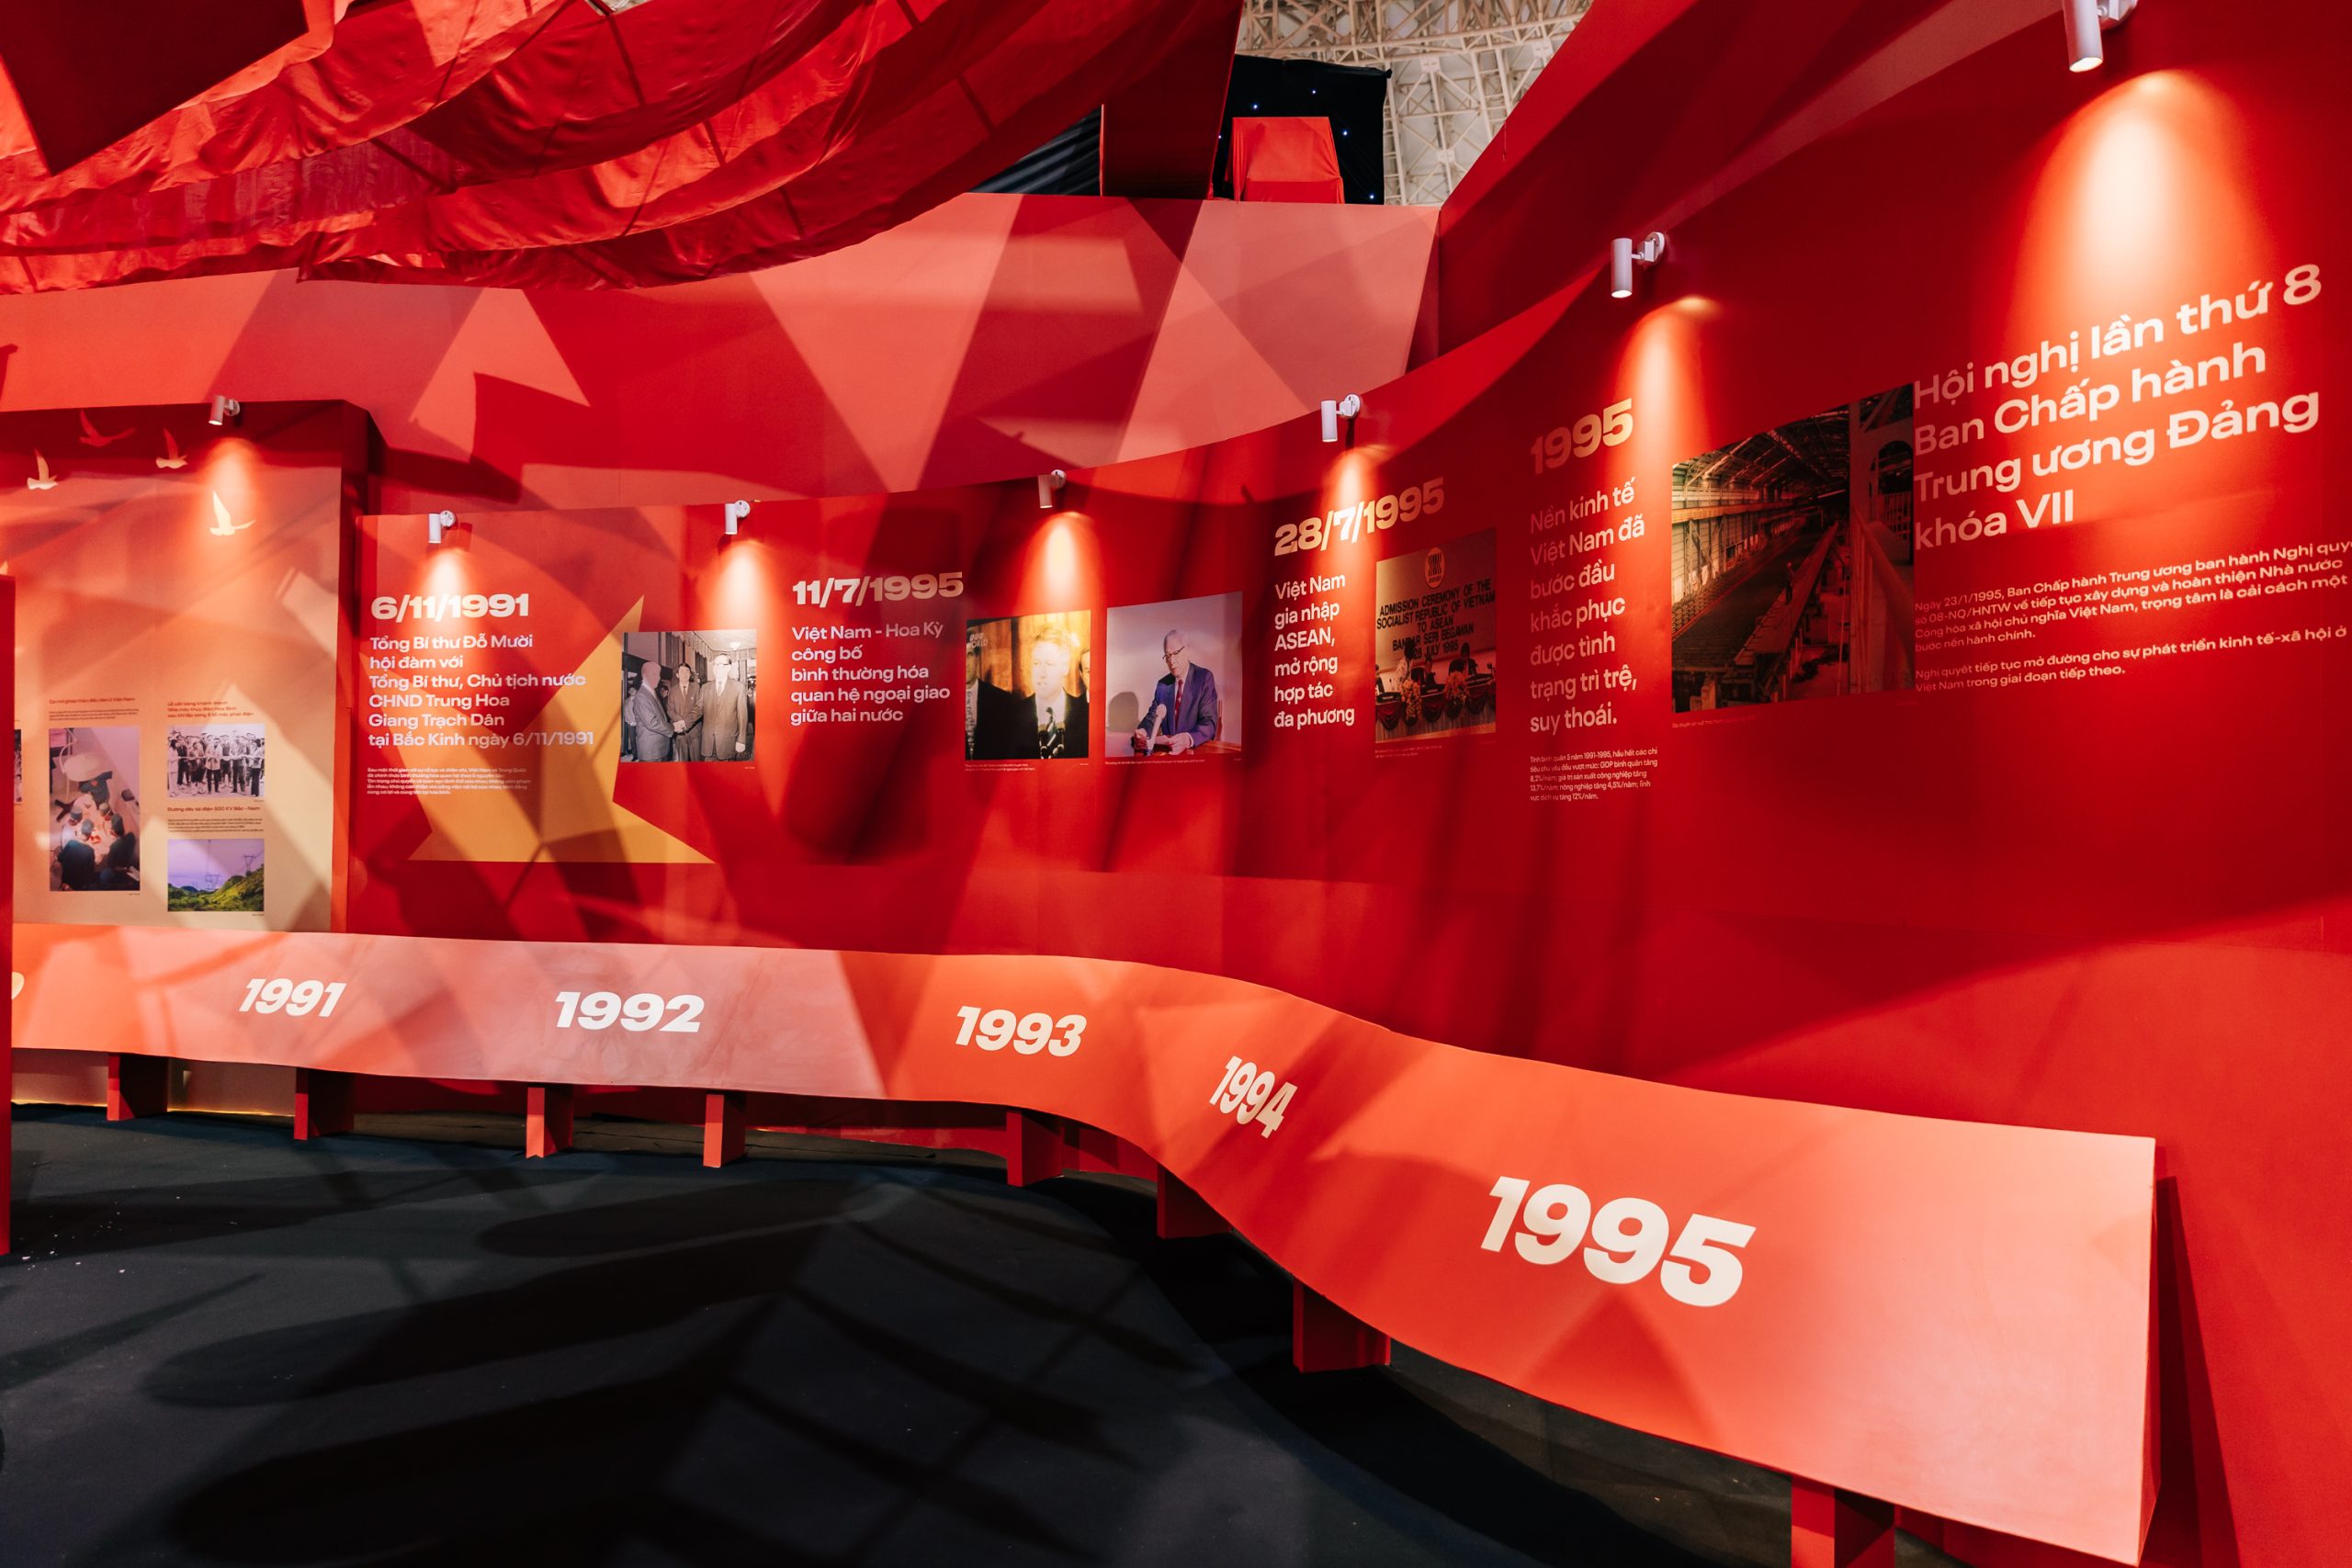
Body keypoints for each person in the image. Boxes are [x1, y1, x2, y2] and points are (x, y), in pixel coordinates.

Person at [976, 625, 1087, 759]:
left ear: (1065, 667)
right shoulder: (1011, 717)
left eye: (1049, 664)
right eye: (1037, 663)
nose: (1042, 673)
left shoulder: (1086, 714)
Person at [1131, 628, 1219, 755]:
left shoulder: (1204, 678)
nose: (1171, 662)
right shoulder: (1163, 685)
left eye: (1176, 653)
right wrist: (1143, 732)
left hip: (1195, 754)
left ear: (1187, 650)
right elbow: (1152, 718)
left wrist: (1188, 738)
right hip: (1168, 755)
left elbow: (1209, 723)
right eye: (1167, 656)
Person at [699, 652, 751, 760]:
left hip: (728, 743)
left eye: (721, 664)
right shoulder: (705, 687)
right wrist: (684, 722)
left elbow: (742, 717)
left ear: (729, 667)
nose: (717, 667)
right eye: (715, 664)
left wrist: (741, 740)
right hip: (708, 744)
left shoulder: (739, 687)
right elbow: (697, 709)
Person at [625, 666, 672, 761]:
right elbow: (652, 723)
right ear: (645, 676)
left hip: (659, 749)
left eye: (658, 675)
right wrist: (673, 728)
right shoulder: (641, 696)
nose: (658, 678)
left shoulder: (652, 692)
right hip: (651, 752)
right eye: (654, 674)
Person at [664, 660, 703, 759]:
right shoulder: (672, 690)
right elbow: (670, 710)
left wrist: (686, 722)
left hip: (695, 732)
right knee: (683, 761)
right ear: (677, 675)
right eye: (681, 672)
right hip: (680, 733)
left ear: (690, 674)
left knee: (697, 762)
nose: (685, 674)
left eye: (687, 671)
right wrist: (681, 722)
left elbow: (700, 708)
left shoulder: (696, 688)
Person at [58, 820, 99, 890]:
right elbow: (90, 873)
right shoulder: (90, 851)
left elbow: (60, 858)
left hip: (66, 880)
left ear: (81, 831)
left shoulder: (71, 843)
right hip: (78, 885)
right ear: (90, 834)